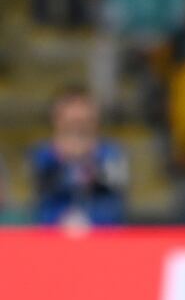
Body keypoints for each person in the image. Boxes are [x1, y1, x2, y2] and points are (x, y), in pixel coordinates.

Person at [30, 86, 128, 227]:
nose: (78, 129)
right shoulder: (42, 155)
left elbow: (113, 184)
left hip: (105, 235)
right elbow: (45, 184)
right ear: (57, 120)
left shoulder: (112, 153)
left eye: (84, 121)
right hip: (52, 235)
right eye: (72, 122)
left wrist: (84, 160)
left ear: (95, 120)